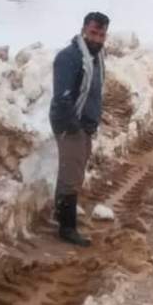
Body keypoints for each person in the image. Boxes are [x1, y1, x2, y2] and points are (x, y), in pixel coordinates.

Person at [48, 12, 109, 247]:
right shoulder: (69, 57)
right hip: (69, 124)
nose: (97, 39)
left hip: (83, 125)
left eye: (101, 34)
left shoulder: (95, 58)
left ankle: (61, 214)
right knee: (70, 176)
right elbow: (62, 97)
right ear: (84, 30)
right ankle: (67, 227)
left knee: (75, 172)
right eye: (93, 33)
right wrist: (73, 127)